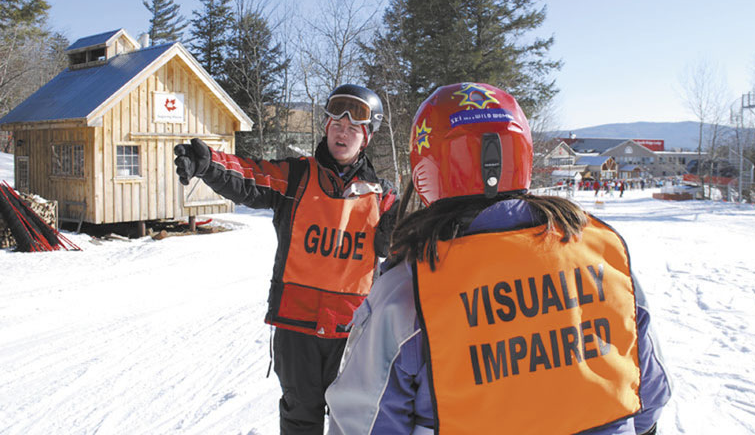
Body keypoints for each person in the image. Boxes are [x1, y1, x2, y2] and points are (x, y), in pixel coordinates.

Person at [326, 82, 671, 434]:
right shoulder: (606, 255)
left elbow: (364, 423)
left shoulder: (409, 290)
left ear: (426, 169)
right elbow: (649, 398)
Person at [173, 84, 398, 435]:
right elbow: (248, 176)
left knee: (354, 418)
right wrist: (208, 164)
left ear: (365, 138)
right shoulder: (295, 177)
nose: (343, 132)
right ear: (326, 127)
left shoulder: (383, 196)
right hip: (297, 325)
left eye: (353, 128)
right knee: (300, 417)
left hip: (352, 329)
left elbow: (410, 239)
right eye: (336, 125)